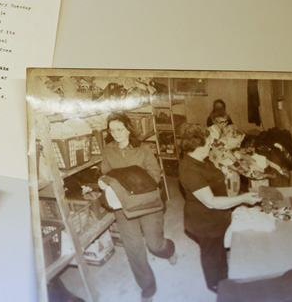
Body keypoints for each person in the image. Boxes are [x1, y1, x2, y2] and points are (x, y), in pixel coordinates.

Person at [178, 123, 261, 293]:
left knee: (219, 248)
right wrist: (242, 198)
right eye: (207, 142)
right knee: (211, 252)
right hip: (204, 221)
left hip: (217, 216)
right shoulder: (189, 169)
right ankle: (216, 284)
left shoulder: (202, 159)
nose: (211, 144)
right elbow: (211, 202)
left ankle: (223, 276)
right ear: (197, 145)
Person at [101, 112, 176, 302]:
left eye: (120, 129)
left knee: (154, 244)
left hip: (147, 202)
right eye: (112, 130)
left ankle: (168, 249)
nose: (116, 133)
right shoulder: (108, 150)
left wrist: (134, 180)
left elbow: (155, 174)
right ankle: (147, 286)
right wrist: (103, 182)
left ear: (128, 129)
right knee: (133, 247)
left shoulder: (143, 149)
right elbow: (105, 174)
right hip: (123, 205)